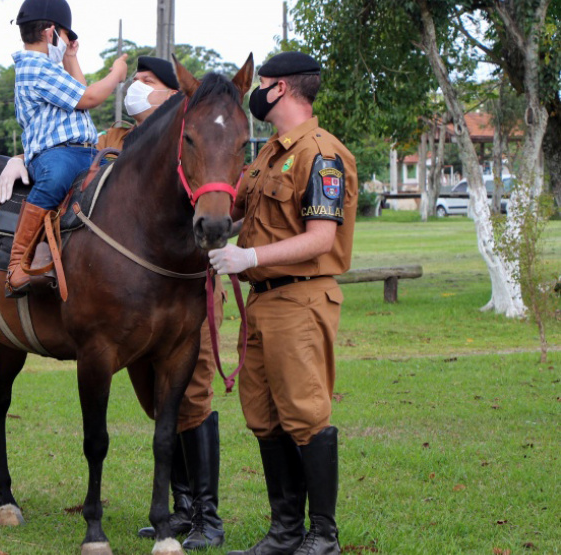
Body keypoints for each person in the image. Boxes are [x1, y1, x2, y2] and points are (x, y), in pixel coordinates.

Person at [0, 55, 226, 551]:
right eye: (135, 82)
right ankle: (180, 507)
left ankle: (204, 514)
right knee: (157, 402)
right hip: (131, 300)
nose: (136, 91)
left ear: (172, 97)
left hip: (181, 288)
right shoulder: (117, 139)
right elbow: (75, 164)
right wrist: (24, 158)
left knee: (193, 397)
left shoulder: (198, 136)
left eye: (146, 84)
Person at [208, 51, 357, 555]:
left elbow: (319, 239)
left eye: (263, 82)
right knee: (264, 416)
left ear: (282, 89)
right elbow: (230, 210)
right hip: (261, 301)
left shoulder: (322, 154)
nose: (257, 91)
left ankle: (323, 536)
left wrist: (249, 253)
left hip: (300, 298)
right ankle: (285, 531)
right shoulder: (268, 153)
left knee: (305, 414)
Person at [4, 0, 127, 297]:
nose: (66, 42)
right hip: (55, 154)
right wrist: (116, 73)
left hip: (85, 151)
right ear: (51, 33)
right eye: (64, 35)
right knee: (55, 179)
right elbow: (89, 97)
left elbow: (79, 88)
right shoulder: (35, 67)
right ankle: (17, 262)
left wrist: (71, 57)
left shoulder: (51, 67)